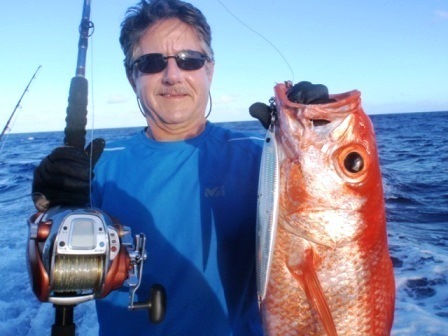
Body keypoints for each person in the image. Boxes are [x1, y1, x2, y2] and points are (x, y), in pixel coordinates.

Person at [33, 0, 264, 335]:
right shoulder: (98, 166)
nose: (172, 75)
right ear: (132, 76)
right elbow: (48, 267)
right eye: (153, 63)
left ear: (209, 69)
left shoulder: (264, 160)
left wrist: (318, 140)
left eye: (190, 60)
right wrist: (47, 204)